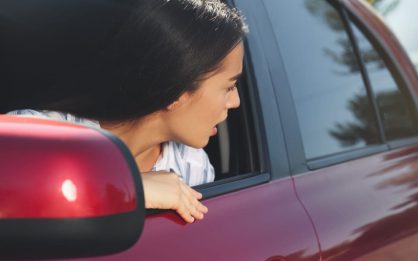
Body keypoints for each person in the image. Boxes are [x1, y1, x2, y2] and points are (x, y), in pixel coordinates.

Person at [7, 0, 248, 223]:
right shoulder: (38, 134)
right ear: (177, 91)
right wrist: (130, 188)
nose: (235, 101)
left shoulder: (194, 166)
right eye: (229, 86)